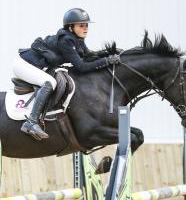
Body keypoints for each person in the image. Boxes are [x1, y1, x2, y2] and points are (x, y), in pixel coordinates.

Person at [14, 8, 120, 140]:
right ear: (70, 27)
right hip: (23, 65)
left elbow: (88, 56)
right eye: (81, 25)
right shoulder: (66, 40)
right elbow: (81, 66)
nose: (85, 28)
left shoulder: (77, 39)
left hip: (35, 66)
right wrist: (106, 61)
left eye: (86, 25)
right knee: (49, 83)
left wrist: (108, 54)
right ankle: (31, 122)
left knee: (51, 81)